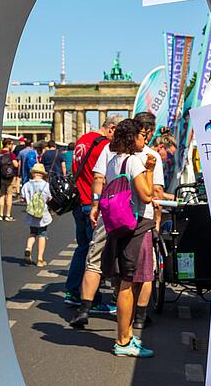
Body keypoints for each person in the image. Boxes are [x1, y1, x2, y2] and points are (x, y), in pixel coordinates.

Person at [69, 112, 164, 329]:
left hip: (109, 215)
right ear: (144, 133)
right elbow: (152, 194)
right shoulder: (149, 157)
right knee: (140, 270)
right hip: (139, 220)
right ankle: (138, 316)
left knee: (95, 262)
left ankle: (84, 310)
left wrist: (95, 204)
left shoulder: (109, 152)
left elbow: (98, 179)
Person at [100, 118, 156, 358]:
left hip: (120, 226)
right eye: (142, 135)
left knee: (128, 281)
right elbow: (146, 195)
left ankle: (128, 336)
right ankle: (123, 341)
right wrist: (150, 170)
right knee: (129, 283)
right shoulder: (133, 161)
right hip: (137, 225)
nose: (145, 139)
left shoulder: (113, 161)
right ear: (132, 138)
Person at [64, 115, 123, 306]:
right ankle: (92, 300)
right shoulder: (104, 146)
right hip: (93, 203)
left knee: (82, 249)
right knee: (96, 254)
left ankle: (72, 291)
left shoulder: (83, 140)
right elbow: (104, 176)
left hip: (79, 202)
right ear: (112, 128)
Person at [21, 163, 52, 267]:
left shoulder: (27, 185)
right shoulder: (46, 185)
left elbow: (23, 198)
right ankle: (40, 259)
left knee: (32, 233)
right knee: (42, 234)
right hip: (42, 213)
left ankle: (28, 248)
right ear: (42, 174)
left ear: (33, 174)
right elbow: (49, 198)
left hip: (31, 213)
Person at [0, 138, 19, 222]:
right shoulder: (11, 154)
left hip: (1, 176)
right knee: (9, 195)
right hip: (9, 177)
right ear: (8, 145)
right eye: (11, 144)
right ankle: (7, 215)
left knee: (2, 195)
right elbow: (16, 164)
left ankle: (0, 214)